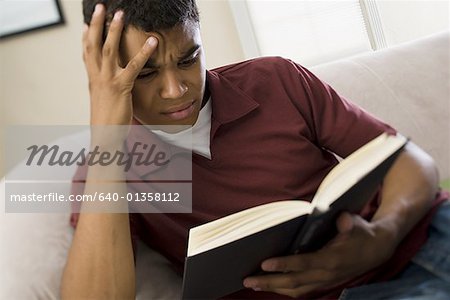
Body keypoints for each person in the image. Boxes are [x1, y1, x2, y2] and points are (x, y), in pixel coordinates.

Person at [61, 0, 450, 299]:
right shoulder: (107, 168)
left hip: (425, 235)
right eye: (145, 73)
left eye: (188, 59)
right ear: (107, 68)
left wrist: (383, 236)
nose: (175, 90)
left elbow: (409, 161)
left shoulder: (275, 79)